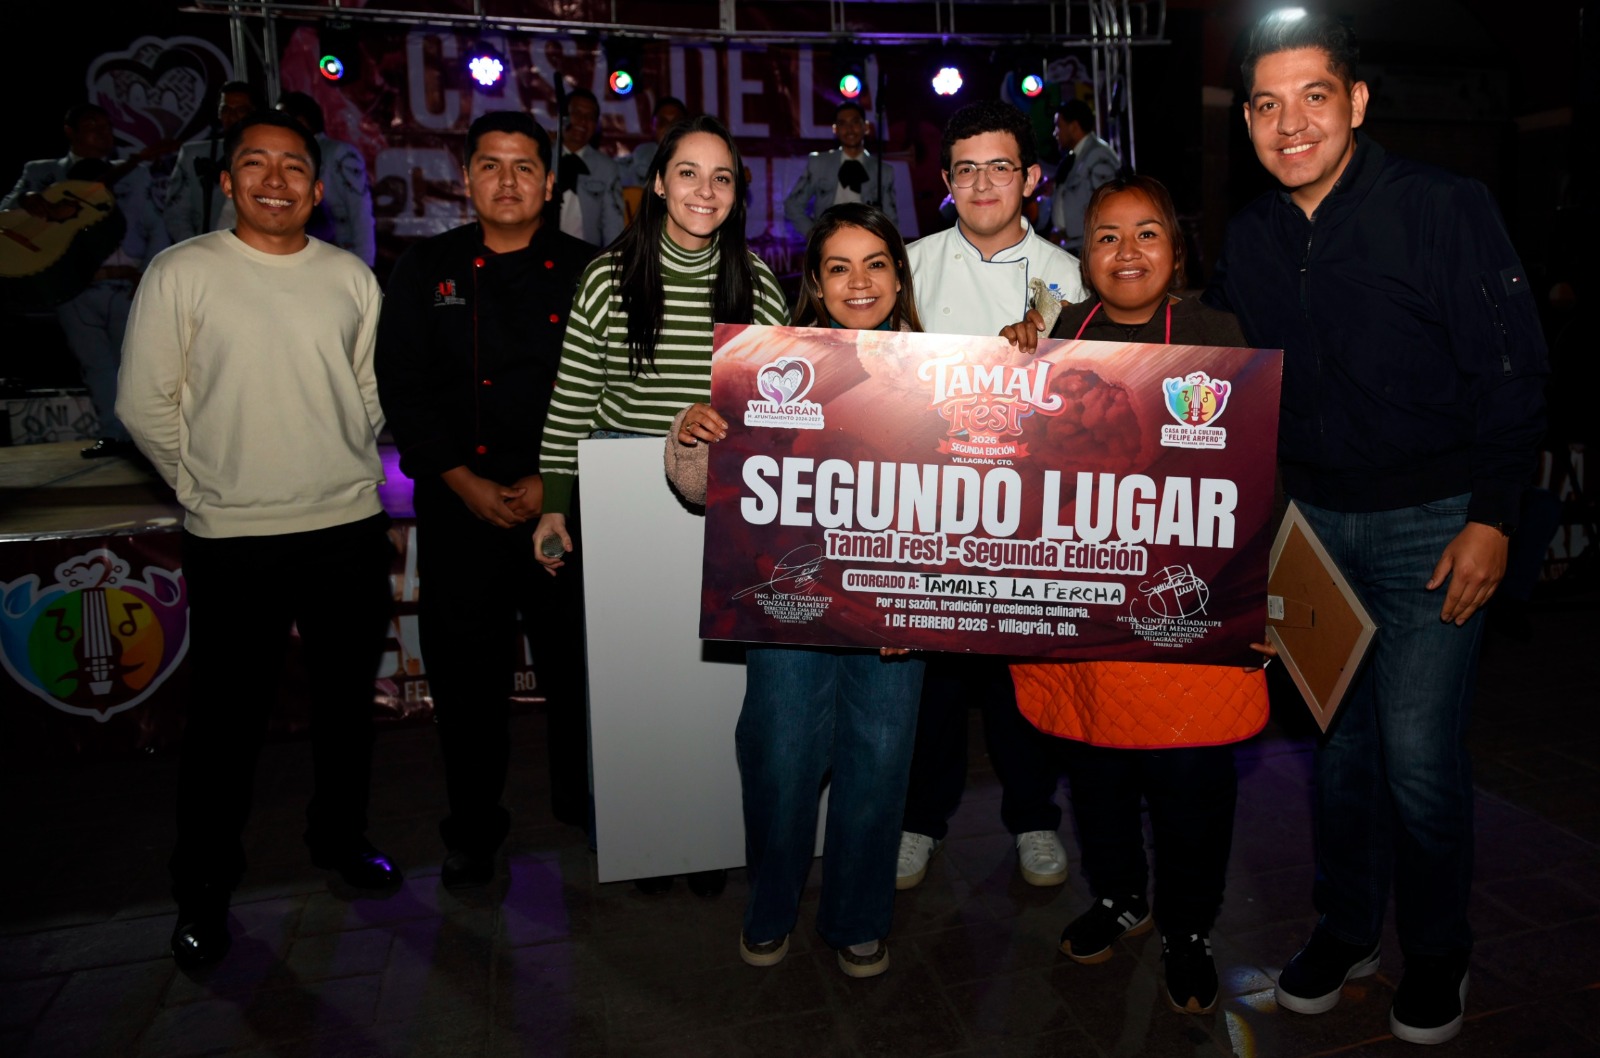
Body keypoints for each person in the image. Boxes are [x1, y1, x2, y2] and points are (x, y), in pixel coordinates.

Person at [1204, 11, 1547, 1045]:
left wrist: (1494, 516)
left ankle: (1437, 951)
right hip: (1310, 531)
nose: (1290, 124)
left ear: (1355, 102)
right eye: (1267, 105)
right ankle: (1348, 928)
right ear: (1248, 123)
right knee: (1340, 755)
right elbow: (1212, 379)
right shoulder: (1250, 237)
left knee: (1417, 755)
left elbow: (1514, 369)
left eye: (1313, 97)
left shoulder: (1443, 206)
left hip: (1434, 526)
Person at [118, 111, 399, 971]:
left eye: (293, 167)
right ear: (227, 181)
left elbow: (369, 395)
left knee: (346, 709)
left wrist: (334, 459)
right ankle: (203, 889)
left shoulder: (349, 276)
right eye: (255, 163)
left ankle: (340, 839)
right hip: (235, 539)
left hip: (347, 529)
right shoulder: (182, 271)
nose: (275, 180)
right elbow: (143, 404)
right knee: (225, 725)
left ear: (316, 189)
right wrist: (206, 484)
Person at [1002, 175, 1271, 1016]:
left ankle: (1189, 929)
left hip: (1190, 615)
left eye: (1147, 233)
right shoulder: (1053, 339)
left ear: (1176, 251)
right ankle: (1121, 896)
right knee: (1097, 769)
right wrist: (1007, 365)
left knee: (1191, 782)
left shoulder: (1219, 338)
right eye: (1108, 236)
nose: (1127, 251)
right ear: (1085, 255)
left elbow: (1261, 477)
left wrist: (1268, 596)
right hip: (1087, 614)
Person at [664, 203, 925, 978]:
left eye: (875, 263)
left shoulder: (942, 372)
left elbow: (972, 504)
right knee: (779, 761)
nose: (858, 281)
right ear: (814, 280)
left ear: (899, 276)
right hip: (788, 606)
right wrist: (691, 434)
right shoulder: (766, 363)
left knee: (879, 766)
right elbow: (700, 487)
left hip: (893, 612)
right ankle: (770, 908)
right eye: (839, 266)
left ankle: (856, 920)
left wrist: (925, 605)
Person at [532, 114, 790, 894]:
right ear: (657, 183)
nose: (704, 191)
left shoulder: (759, 282)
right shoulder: (608, 277)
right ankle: (647, 835)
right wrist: (554, 505)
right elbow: (573, 399)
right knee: (638, 684)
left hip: (727, 506)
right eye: (688, 173)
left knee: (718, 687)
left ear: (738, 193)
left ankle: (707, 835)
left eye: (721, 177)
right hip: (627, 508)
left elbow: (783, 412)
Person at [375, 112, 596, 888]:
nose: (508, 181)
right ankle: (472, 828)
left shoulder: (589, 270)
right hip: (459, 506)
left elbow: (607, 386)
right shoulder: (424, 267)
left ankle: (590, 805)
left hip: (563, 503)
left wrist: (551, 481)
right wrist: (462, 481)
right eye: (492, 166)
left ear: (549, 182)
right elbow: (401, 386)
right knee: (467, 681)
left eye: (524, 166)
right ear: (466, 177)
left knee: (580, 668)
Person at [896, 100, 1088, 893]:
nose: (982, 184)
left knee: (1023, 683)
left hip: (1029, 517)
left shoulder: (1070, 275)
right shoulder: (908, 265)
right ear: (946, 181)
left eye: (1000, 167)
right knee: (934, 687)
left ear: (1031, 178)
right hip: (932, 509)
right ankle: (919, 820)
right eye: (966, 170)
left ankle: (1035, 818)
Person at [3, 103, 170, 458]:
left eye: (106, 125)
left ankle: (144, 439)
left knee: (135, 365)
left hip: (126, 284)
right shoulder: (42, 172)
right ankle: (113, 435)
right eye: (93, 125)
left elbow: (156, 225)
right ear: (70, 131)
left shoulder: (134, 174)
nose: (102, 132)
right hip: (74, 287)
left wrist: (148, 273)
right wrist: (26, 200)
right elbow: (6, 213)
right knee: (95, 365)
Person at [275, 91, 377, 267]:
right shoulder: (285, 159)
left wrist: (364, 266)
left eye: (283, 121)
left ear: (302, 121)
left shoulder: (338, 153)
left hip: (342, 257)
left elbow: (361, 213)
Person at [164, 81, 263, 244]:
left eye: (241, 110)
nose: (232, 117)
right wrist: (198, 250)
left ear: (255, 114)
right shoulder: (194, 155)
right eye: (226, 110)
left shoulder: (271, 158)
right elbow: (175, 214)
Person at [784, 101, 898, 235]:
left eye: (855, 122)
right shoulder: (819, 163)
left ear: (866, 127)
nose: (849, 129)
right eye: (842, 123)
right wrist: (813, 235)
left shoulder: (883, 171)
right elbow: (792, 205)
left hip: (866, 239)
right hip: (830, 239)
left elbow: (891, 218)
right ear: (835, 129)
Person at [1047, 98, 1120, 253]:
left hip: (1092, 248)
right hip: (1075, 246)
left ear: (1073, 127)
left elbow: (1109, 205)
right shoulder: (1076, 157)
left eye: (1058, 126)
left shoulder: (1098, 155)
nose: (1055, 133)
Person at [555, 87, 625, 247]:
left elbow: (613, 223)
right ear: (563, 116)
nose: (583, 121)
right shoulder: (542, 157)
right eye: (577, 113)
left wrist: (612, 257)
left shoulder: (606, 168)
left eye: (590, 117)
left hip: (586, 254)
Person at [619, 95, 688, 192]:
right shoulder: (640, 157)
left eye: (675, 122)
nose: (669, 127)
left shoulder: (696, 157)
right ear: (653, 126)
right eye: (662, 122)